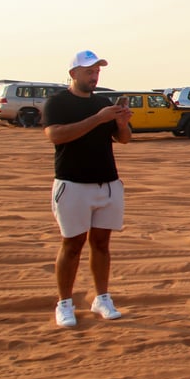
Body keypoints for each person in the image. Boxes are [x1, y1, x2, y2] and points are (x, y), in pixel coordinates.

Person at [43, 51, 132, 327]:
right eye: (89, 71)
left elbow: (124, 139)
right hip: (72, 184)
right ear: (74, 74)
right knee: (72, 245)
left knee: (102, 244)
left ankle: (102, 298)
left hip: (107, 184)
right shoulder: (58, 103)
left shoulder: (103, 102)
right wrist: (98, 118)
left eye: (97, 72)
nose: (94, 76)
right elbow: (55, 135)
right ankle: (65, 304)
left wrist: (120, 122)